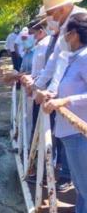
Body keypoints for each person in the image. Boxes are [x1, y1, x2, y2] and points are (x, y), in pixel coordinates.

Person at [43, 13, 87, 213]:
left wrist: (66, 100)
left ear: (75, 34)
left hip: (80, 132)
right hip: (69, 132)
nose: (64, 38)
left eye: (67, 33)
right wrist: (51, 94)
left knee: (85, 189)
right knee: (81, 189)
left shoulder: (85, 58)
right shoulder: (71, 57)